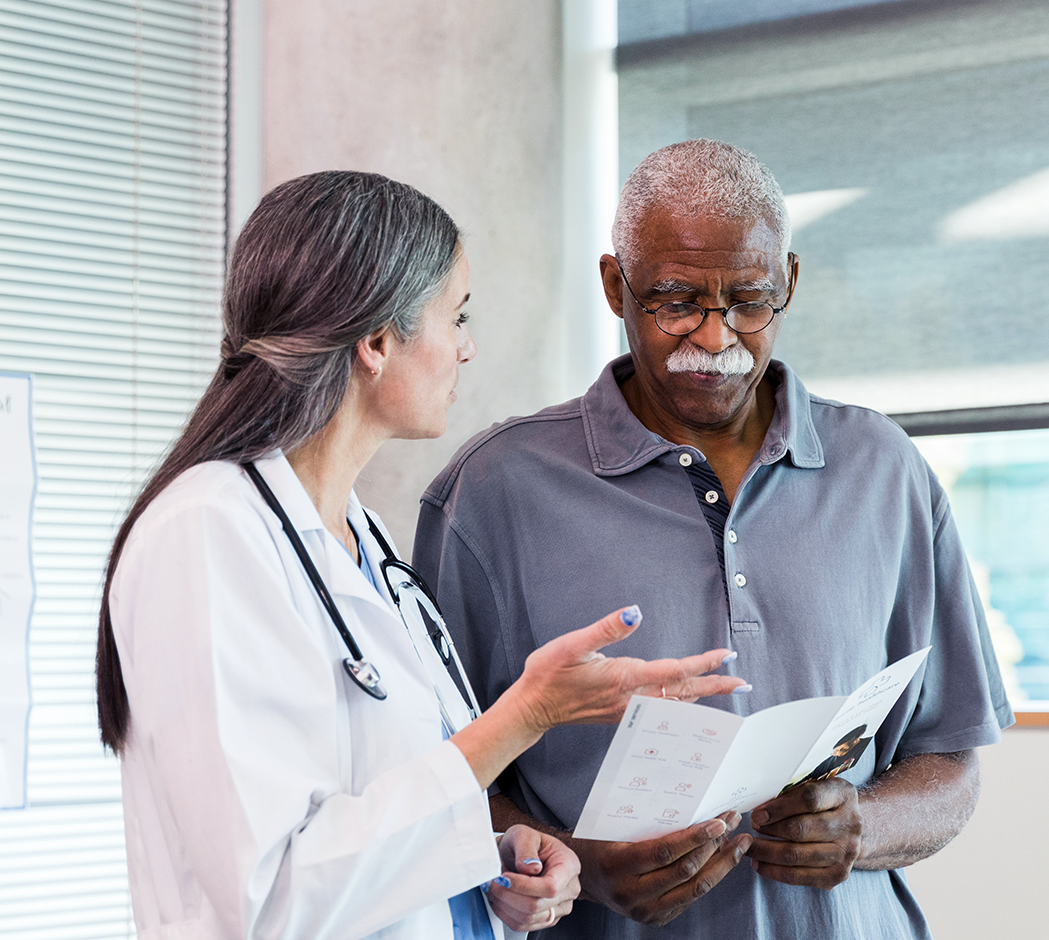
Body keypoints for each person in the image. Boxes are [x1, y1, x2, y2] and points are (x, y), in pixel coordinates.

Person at [94, 171, 746, 940]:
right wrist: (527, 714)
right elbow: (267, 900)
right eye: (455, 316)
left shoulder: (360, 539)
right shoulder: (208, 530)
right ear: (375, 342)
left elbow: (373, 818)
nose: (467, 349)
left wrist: (494, 860)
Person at [413, 140, 1013, 939]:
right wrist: (580, 867)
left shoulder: (886, 471)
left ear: (789, 282)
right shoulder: (493, 491)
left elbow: (951, 763)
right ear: (614, 287)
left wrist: (862, 827)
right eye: (674, 300)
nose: (715, 334)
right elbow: (431, 782)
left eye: (750, 301)